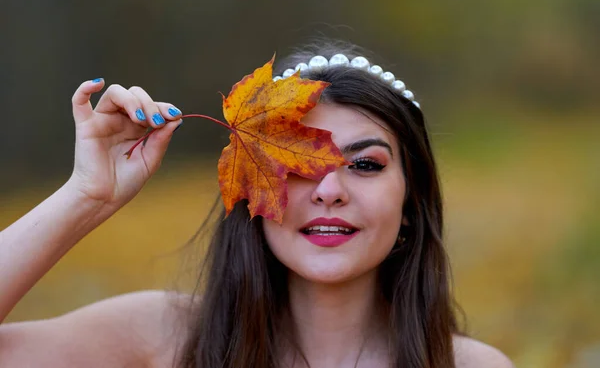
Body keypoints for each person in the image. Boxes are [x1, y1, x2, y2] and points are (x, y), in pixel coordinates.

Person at [0, 40, 515, 368]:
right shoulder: (164, 339)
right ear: (250, 187)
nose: (329, 189)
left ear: (410, 200)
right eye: (295, 165)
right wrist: (87, 196)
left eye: (365, 165)